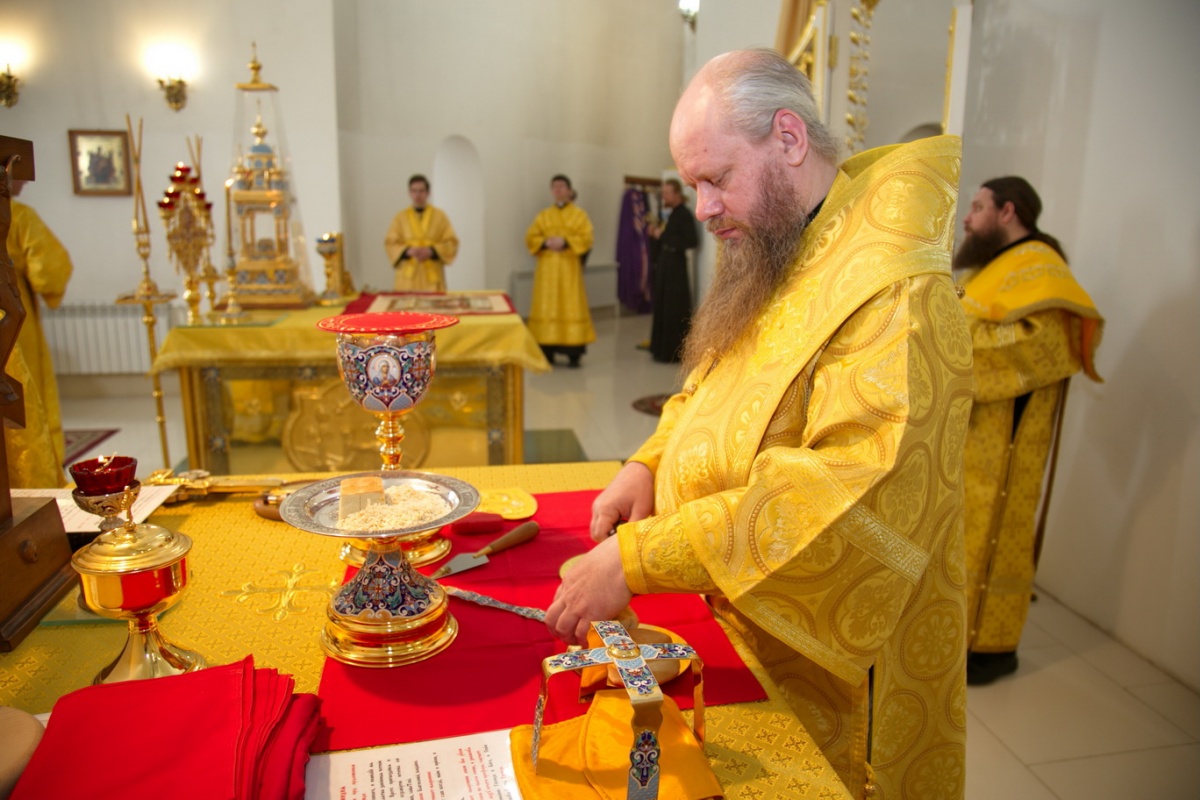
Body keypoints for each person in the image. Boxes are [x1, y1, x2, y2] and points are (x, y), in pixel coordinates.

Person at [545, 48, 972, 800]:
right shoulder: (780, 240)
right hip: (734, 615)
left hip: (834, 669)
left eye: (716, 179)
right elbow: (713, 388)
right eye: (694, 185)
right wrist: (649, 461)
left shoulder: (892, 290)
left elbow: (842, 496)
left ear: (789, 138)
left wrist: (635, 561)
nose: (703, 208)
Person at [953, 176, 1104, 686]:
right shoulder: (991, 268)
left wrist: (952, 342)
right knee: (963, 533)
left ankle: (989, 648)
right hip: (975, 428)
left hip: (1007, 437)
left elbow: (1045, 345)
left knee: (996, 529)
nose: (968, 217)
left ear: (1008, 211)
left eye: (978, 206)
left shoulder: (1042, 267)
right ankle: (953, 636)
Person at [4, 178, 73, 488]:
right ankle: (32, 479)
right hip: (11, 321)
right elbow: (49, 273)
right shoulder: (17, 214)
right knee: (23, 393)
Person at [525, 174, 595, 367]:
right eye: (554, 186)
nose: (558, 190)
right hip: (547, 271)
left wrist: (565, 241)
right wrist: (545, 242)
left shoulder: (580, 215)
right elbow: (530, 237)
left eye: (562, 186)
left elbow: (587, 238)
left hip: (568, 269)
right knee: (546, 306)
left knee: (570, 306)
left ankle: (574, 353)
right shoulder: (543, 215)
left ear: (569, 190)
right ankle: (547, 351)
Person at [647, 178, 699, 363]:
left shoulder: (684, 214)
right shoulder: (671, 214)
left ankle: (673, 351)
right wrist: (655, 235)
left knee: (674, 306)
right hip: (665, 263)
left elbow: (691, 241)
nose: (664, 197)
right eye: (663, 193)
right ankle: (661, 349)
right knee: (663, 304)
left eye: (667, 193)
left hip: (676, 266)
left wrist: (663, 235)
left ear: (677, 194)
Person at [384, 174, 459, 292]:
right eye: (414, 191)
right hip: (407, 277)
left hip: (432, 274)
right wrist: (408, 251)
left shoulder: (440, 216)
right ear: (409, 193)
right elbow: (390, 243)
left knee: (433, 303)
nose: (418, 195)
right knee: (406, 303)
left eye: (421, 191)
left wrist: (432, 251)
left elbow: (451, 242)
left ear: (428, 193)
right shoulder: (400, 218)